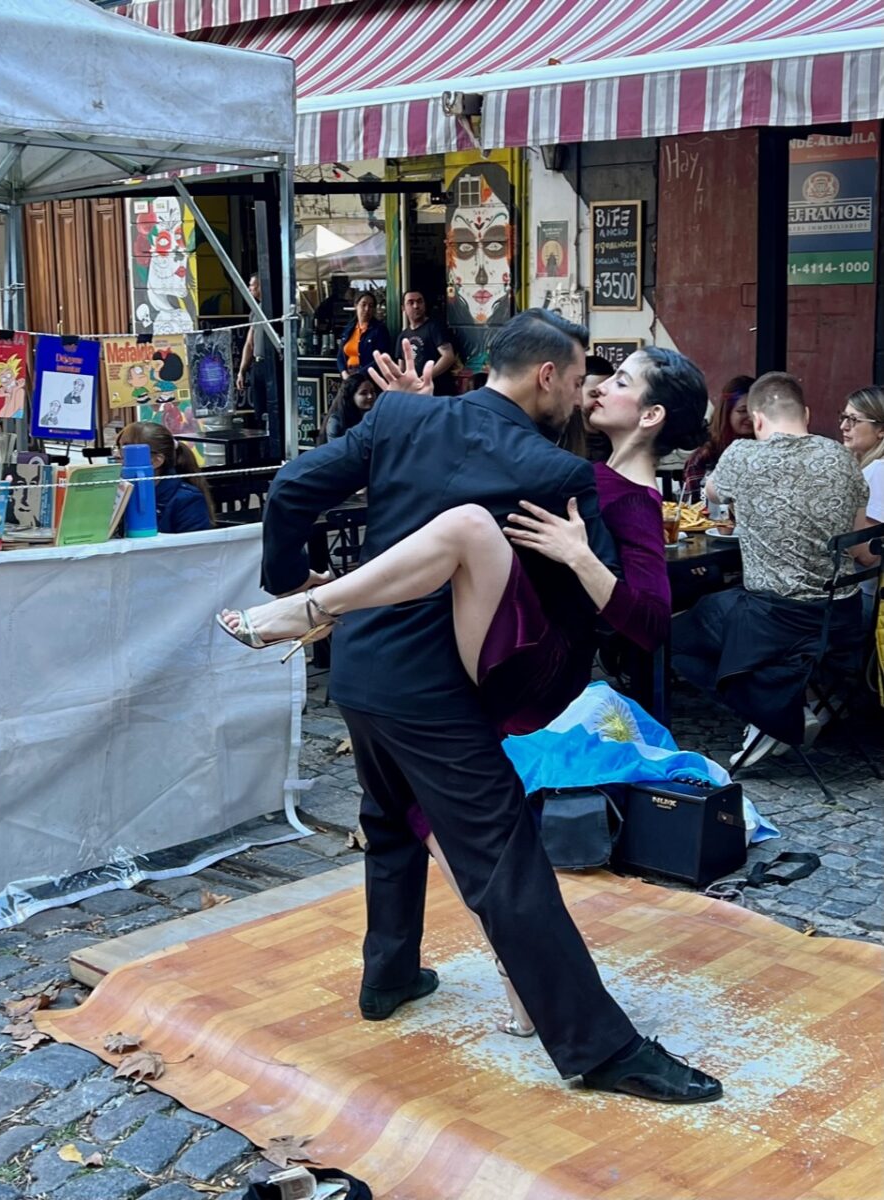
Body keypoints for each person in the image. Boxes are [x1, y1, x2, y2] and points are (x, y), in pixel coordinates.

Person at [219, 309, 722, 1104]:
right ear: (550, 376)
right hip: (433, 685)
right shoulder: (549, 469)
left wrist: (290, 578)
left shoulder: (410, 417)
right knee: (503, 860)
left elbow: (291, 487)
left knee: (390, 823)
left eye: (616, 379)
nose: (596, 385)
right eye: (592, 370)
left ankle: (387, 977)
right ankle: (601, 1049)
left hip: (358, 667)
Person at [672, 372, 869, 765]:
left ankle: (769, 713)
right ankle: (791, 700)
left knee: (670, 636)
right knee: (724, 610)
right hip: (842, 616)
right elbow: (859, 536)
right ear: (807, 414)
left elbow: (710, 494)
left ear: (757, 419)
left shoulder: (743, 454)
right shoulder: (842, 458)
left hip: (773, 619)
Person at [446, 161, 515, 373]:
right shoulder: (450, 335)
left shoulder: (521, 334)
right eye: (465, 247)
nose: (481, 276)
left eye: (495, 246)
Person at [116, 421, 214, 534]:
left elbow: (195, 548)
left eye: (126, 451)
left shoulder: (187, 500)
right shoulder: (120, 491)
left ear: (155, 461)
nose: (117, 455)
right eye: (119, 447)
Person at [839, 386, 884, 623]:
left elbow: (867, 554)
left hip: (864, 597)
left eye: (854, 420)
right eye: (844, 417)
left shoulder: (878, 471)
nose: (844, 426)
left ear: (881, 430)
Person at [682, 375, 755, 500]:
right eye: (742, 410)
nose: (750, 417)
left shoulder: (770, 453)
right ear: (727, 412)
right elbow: (693, 509)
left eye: (754, 411)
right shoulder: (704, 457)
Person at [395, 290, 455, 395]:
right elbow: (402, 368)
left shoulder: (435, 327)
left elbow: (448, 357)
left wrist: (424, 378)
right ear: (403, 308)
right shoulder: (402, 336)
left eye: (419, 301)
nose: (416, 306)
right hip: (414, 394)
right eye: (411, 302)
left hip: (438, 392)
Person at [558, 353, 615, 461]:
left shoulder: (619, 436)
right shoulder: (561, 438)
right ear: (577, 393)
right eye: (594, 395)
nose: (601, 401)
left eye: (607, 394)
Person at [235, 273, 269, 420]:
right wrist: (241, 371)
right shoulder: (255, 310)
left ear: (261, 286)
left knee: (273, 406)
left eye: (252, 285)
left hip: (272, 363)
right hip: (258, 363)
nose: (249, 289)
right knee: (259, 409)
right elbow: (249, 344)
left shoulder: (272, 308)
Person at [336, 291, 390, 379]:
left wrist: (360, 374)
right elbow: (340, 356)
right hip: (348, 376)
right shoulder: (349, 328)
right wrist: (344, 372)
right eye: (363, 304)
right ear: (356, 305)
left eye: (371, 306)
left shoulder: (379, 330)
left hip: (368, 378)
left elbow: (381, 357)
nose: (367, 309)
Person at [318, 371, 380, 444]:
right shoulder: (336, 420)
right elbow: (336, 452)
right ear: (351, 396)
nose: (370, 396)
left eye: (372, 392)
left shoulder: (375, 415)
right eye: (363, 393)